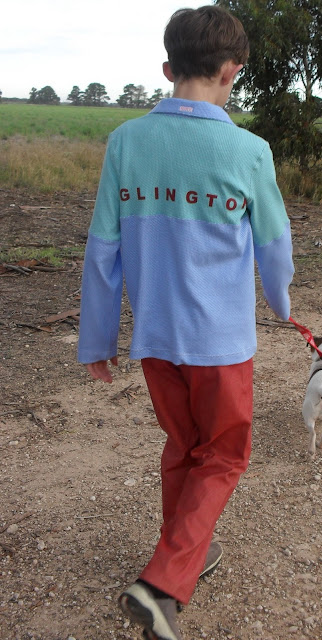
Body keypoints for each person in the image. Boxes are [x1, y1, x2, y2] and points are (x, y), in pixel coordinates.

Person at [78, 5, 294, 639]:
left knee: (184, 447)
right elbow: (274, 244)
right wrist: (281, 304)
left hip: (155, 340)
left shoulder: (126, 142)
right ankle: (162, 581)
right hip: (220, 345)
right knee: (224, 455)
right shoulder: (249, 151)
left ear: (168, 69)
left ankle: (184, 560)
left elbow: (102, 248)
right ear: (232, 72)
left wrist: (97, 337)